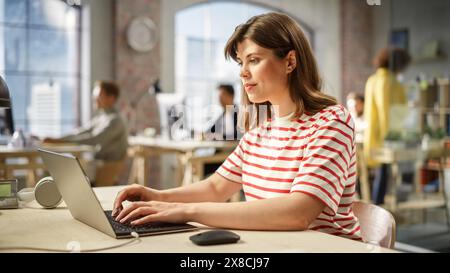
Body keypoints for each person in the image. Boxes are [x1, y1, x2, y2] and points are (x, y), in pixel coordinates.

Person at [112, 12, 362, 241]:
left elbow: (297, 213)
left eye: (253, 60)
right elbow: (215, 187)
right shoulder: (258, 133)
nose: (243, 73)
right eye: (241, 62)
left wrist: (183, 211)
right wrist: (156, 196)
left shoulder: (331, 122)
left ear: (290, 62)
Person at [44, 80, 128, 186]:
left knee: (60, 172)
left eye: (99, 96)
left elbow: (94, 139)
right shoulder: (101, 117)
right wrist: (57, 139)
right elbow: (80, 132)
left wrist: (60, 140)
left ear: (111, 98)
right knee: (56, 168)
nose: (94, 99)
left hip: (104, 168)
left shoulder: (116, 120)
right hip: (95, 164)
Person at [364, 47, 411, 204]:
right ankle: (391, 208)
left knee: (381, 174)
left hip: (374, 136)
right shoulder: (391, 82)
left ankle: (378, 207)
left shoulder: (372, 80)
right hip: (389, 137)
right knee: (393, 173)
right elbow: (390, 113)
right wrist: (391, 139)